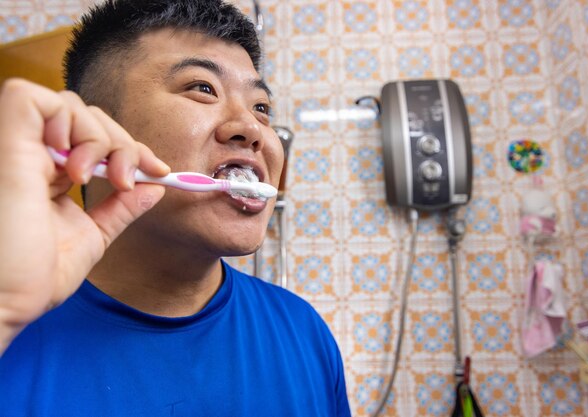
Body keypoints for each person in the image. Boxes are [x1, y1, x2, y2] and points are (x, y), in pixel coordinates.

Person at [0, 1, 351, 416]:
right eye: (202, 88)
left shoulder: (302, 331)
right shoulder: (11, 324)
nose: (253, 129)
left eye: (261, 107)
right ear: (95, 131)